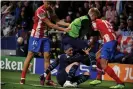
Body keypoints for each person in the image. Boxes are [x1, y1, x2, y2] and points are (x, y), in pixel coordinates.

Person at [20, 1, 69, 85]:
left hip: (45, 37)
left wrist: (69, 24)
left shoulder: (50, 10)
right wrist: (64, 29)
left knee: (47, 57)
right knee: (30, 55)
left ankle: (48, 80)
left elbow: (57, 21)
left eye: (51, 4)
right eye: (48, 3)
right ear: (44, 1)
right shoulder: (40, 11)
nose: (49, 5)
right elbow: (51, 25)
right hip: (36, 36)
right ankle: (22, 78)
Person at [88, 8, 125, 88]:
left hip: (109, 42)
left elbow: (94, 35)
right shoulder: (105, 21)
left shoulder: (95, 22)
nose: (89, 17)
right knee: (96, 58)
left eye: (90, 15)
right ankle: (98, 78)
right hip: (111, 41)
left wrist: (90, 44)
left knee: (103, 64)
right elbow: (104, 32)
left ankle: (120, 83)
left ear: (93, 15)